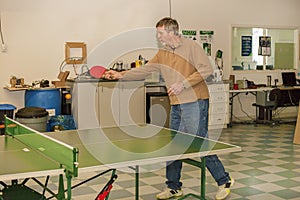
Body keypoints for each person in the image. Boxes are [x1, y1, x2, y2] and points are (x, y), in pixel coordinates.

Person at [104, 17, 234, 200]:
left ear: (172, 32)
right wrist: (120, 74)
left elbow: (206, 70)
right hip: (176, 104)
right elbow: (145, 69)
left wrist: (184, 84)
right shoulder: (163, 53)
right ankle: (173, 187)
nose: (158, 36)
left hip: (195, 102)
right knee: (174, 146)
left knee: (199, 143)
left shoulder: (192, 47)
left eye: (161, 33)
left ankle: (224, 180)